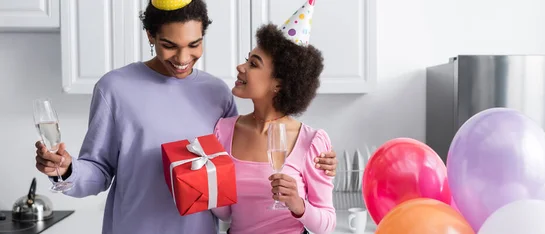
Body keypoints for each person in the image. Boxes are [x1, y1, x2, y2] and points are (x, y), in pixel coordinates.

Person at [33, 1, 337, 234]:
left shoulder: (217, 93)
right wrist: (67, 170)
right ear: (151, 35)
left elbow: (229, 177)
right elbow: (98, 171)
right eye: (169, 45)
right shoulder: (114, 89)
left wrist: (317, 163)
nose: (182, 58)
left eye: (194, 44)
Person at [211, 1, 336, 233]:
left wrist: (298, 205)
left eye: (253, 64)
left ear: (278, 84)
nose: (241, 67)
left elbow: (327, 225)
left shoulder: (311, 141)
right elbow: (226, 213)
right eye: (247, 59)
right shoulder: (223, 131)